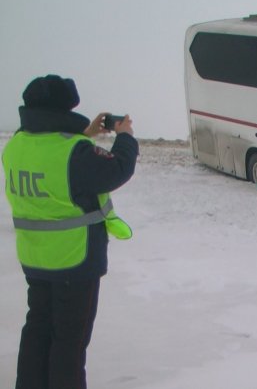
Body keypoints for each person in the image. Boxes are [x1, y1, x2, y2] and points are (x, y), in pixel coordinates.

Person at [1, 75, 138, 389]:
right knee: (69, 343)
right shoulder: (74, 152)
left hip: (35, 257)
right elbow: (116, 169)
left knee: (37, 329)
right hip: (74, 260)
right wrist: (126, 136)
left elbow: (51, 151)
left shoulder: (18, 144)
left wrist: (86, 132)